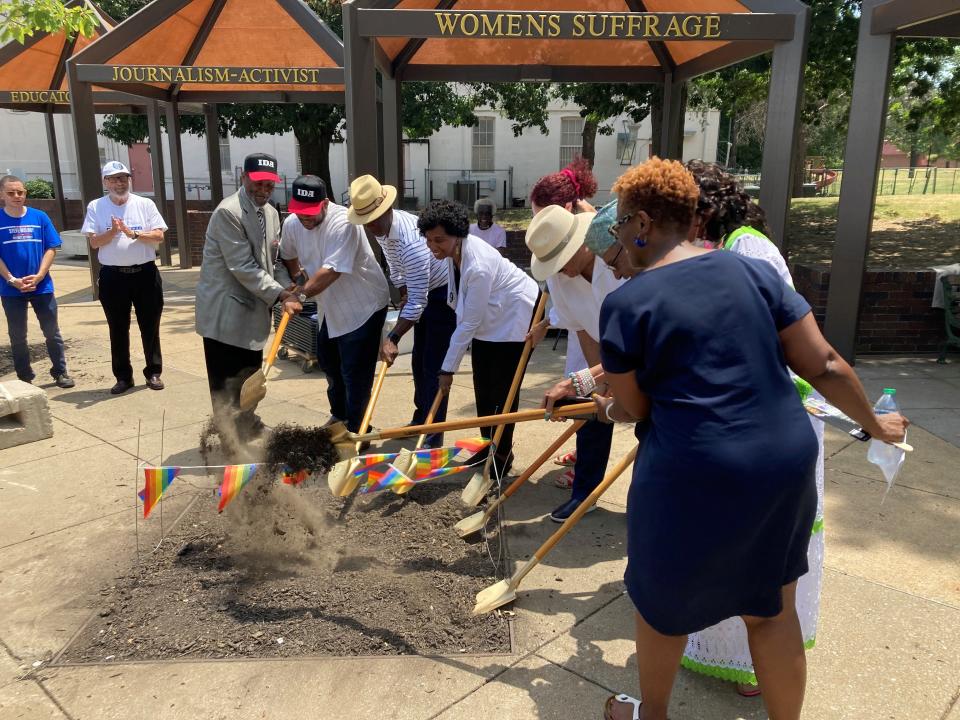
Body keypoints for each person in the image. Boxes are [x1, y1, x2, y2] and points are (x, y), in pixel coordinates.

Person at [595, 158, 908, 720]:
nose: (618, 238)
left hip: (693, 470)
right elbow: (827, 364)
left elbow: (636, 407)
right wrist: (875, 423)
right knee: (771, 610)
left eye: (619, 225)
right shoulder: (754, 272)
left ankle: (652, 714)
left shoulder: (626, 304)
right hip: (782, 460)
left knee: (662, 605)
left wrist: (608, 407)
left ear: (643, 222)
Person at [683, 159, 826, 697]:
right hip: (742, 417)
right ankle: (731, 651)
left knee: (765, 557)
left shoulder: (749, 250)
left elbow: (784, 345)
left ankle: (755, 666)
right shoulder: (720, 251)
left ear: (706, 212)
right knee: (736, 546)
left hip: (773, 417)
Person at [420, 200, 538, 477]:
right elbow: (464, 312)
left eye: (439, 239)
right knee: (482, 388)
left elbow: (468, 322)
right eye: (428, 240)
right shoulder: (454, 252)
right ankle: (488, 445)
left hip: (515, 317)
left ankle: (502, 455)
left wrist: (447, 370)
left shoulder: (478, 265)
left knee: (503, 392)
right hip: (490, 317)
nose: (433, 246)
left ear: (457, 234)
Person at [525, 204, 625, 522]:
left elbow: (637, 347)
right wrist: (601, 383)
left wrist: (581, 380)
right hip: (606, 351)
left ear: (582, 242)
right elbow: (583, 329)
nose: (562, 269)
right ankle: (585, 493)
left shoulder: (615, 265)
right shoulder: (559, 279)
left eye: (563, 258)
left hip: (639, 349)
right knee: (591, 409)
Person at [195, 153, 302, 441]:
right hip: (225, 312)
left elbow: (272, 260)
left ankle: (247, 422)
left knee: (249, 376)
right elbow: (243, 266)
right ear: (244, 178)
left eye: (269, 185)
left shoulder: (270, 213)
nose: (264, 191)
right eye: (258, 184)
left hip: (253, 309)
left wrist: (288, 286)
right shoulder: (228, 213)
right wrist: (280, 294)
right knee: (225, 379)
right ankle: (228, 438)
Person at [346, 175, 455, 447]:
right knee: (419, 362)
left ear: (386, 210)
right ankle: (421, 420)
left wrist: (392, 338)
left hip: (443, 295)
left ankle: (432, 436)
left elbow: (419, 302)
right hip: (423, 291)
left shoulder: (411, 241)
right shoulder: (383, 230)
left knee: (434, 366)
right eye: (365, 221)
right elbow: (396, 269)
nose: (370, 226)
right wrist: (403, 290)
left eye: (373, 219)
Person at [279, 175, 390, 432]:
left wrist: (300, 296)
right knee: (329, 363)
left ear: (326, 203)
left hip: (363, 305)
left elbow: (331, 271)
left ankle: (356, 429)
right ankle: (339, 415)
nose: (304, 218)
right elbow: (288, 255)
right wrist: (297, 279)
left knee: (354, 372)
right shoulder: (293, 223)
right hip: (329, 306)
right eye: (299, 212)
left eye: (310, 213)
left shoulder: (344, 223)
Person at [82, 161, 167, 394]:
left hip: (145, 275)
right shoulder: (96, 206)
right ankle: (123, 377)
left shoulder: (145, 204)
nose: (119, 183)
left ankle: (154, 372)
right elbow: (94, 242)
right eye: (114, 179)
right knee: (117, 329)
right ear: (105, 182)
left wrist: (134, 233)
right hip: (113, 277)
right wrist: (112, 232)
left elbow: (159, 235)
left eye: (123, 178)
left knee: (150, 326)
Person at [0, 175, 73, 388]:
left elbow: (51, 248)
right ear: (2, 194)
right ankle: (25, 378)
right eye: (11, 192)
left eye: (20, 192)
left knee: (52, 332)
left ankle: (60, 372)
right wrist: (12, 279)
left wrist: (40, 275)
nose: (17, 196)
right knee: (18, 335)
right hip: (10, 288)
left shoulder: (39, 217)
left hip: (42, 286)